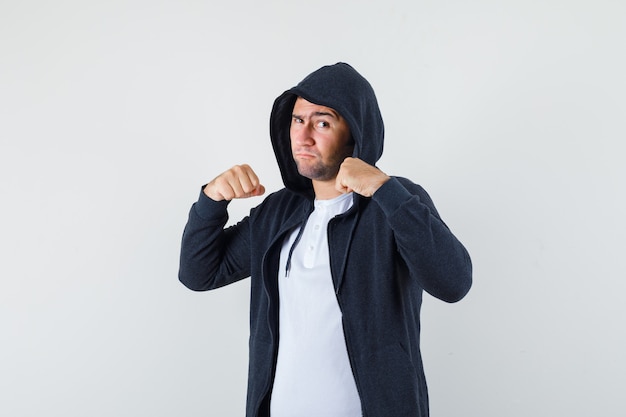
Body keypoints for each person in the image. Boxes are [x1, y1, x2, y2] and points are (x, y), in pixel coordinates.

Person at [179, 62, 472, 417]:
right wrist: (211, 201)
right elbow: (199, 274)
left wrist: (384, 189)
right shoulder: (277, 212)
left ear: (354, 133)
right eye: (297, 120)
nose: (303, 137)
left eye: (322, 122)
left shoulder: (395, 202)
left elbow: (453, 282)